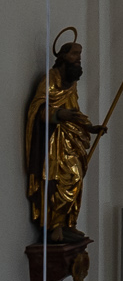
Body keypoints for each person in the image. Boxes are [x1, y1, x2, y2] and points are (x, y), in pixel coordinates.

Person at [24, 37, 105, 244]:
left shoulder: (71, 84)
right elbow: (37, 109)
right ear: (63, 56)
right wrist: (59, 114)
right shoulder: (50, 80)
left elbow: (75, 112)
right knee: (58, 181)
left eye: (80, 54)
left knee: (76, 179)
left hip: (70, 139)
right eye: (75, 54)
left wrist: (90, 128)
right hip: (53, 142)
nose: (79, 58)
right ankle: (55, 225)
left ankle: (69, 223)